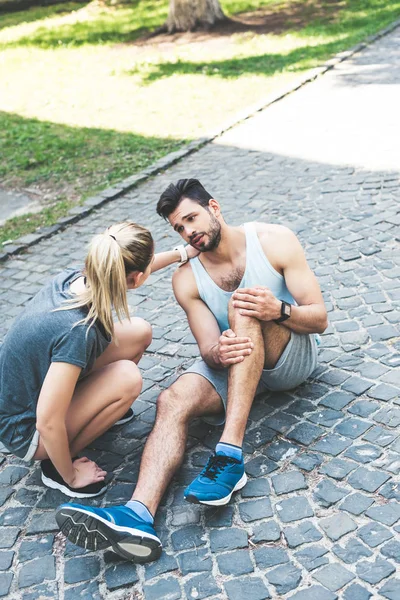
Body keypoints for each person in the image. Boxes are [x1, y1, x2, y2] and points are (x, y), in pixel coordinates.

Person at [56, 179, 328, 562]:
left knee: (244, 306)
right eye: (179, 228)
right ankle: (137, 515)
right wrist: (219, 351)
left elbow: (319, 319)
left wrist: (277, 311)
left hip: (287, 357)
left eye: (191, 218)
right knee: (172, 398)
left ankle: (229, 455)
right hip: (237, 360)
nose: (188, 232)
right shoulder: (185, 279)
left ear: (214, 207)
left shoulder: (274, 240)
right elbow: (208, 349)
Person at [0, 221, 197, 500]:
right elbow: (47, 420)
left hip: (28, 392)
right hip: (27, 430)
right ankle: (56, 466)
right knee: (128, 377)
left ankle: (97, 409)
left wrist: (183, 253)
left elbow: (142, 265)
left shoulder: (76, 278)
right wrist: (69, 473)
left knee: (139, 331)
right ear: (138, 278)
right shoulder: (79, 330)